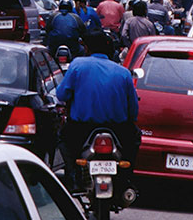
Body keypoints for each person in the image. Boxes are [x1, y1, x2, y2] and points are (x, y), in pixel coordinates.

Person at [58, 32, 140, 190]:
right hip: (118, 129)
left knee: (63, 139)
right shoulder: (123, 72)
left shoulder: (77, 65)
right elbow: (133, 110)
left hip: (81, 127)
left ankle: (73, 177)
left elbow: (62, 94)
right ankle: (126, 180)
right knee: (134, 139)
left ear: (87, 48)